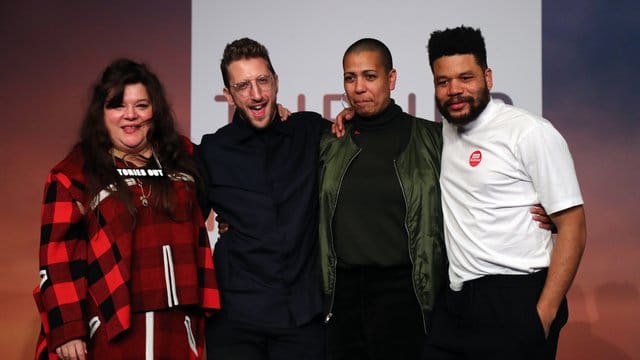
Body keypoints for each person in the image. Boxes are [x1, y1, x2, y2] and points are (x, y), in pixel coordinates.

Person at [33, 59, 220, 360]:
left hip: (176, 326)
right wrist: (69, 329)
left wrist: (279, 117)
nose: (130, 115)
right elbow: (58, 257)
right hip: (110, 329)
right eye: (117, 105)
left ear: (154, 111)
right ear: (101, 113)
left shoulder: (184, 157)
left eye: (141, 105)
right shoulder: (74, 174)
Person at [423, 26, 587, 359]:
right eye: (443, 81)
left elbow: (574, 227)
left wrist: (542, 315)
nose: (454, 90)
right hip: (455, 301)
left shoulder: (529, 132)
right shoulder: (443, 134)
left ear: (488, 77)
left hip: (516, 299)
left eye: (466, 78)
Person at [197, 38, 328, 360]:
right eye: (243, 86)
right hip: (235, 319)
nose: (256, 94)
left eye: (262, 81)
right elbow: (181, 225)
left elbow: (360, 135)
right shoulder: (212, 151)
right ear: (228, 95)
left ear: (276, 81)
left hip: (301, 318)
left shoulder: (309, 131)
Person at [318, 38, 446, 360]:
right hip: (343, 297)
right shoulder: (330, 143)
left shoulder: (433, 139)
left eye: (370, 76)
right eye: (350, 77)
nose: (359, 87)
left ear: (391, 79)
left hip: (409, 294)